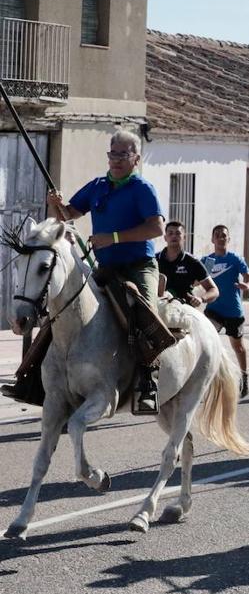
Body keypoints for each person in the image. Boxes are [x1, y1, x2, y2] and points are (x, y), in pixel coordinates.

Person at [45, 129, 169, 414]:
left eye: (122, 155)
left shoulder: (142, 189)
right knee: (63, 307)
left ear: (135, 158)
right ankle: (37, 378)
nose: (116, 160)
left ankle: (148, 380)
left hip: (139, 267)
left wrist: (112, 238)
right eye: (112, 154)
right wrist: (56, 205)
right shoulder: (98, 186)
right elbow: (68, 215)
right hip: (106, 267)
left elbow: (157, 228)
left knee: (144, 311)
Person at [202, 225, 249, 398]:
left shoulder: (235, 259)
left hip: (233, 310)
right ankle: (206, 380)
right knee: (206, 345)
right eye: (217, 235)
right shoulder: (207, 261)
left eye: (223, 235)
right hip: (213, 310)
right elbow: (195, 279)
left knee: (238, 347)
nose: (220, 238)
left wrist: (246, 285)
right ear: (212, 239)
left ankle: (244, 376)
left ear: (228, 239)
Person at [157, 221, 218, 308]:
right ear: (165, 238)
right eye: (170, 233)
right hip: (159, 309)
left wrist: (201, 299)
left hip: (184, 311)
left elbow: (214, 290)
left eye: (178, 233)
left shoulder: (192, 261)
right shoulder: (154, 260)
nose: (174, 236)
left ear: (184, 237)